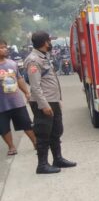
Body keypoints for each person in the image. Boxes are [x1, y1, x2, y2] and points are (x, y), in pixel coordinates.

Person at [26, 31, 77, 174]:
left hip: (52, 100)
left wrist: (57, 100)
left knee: (56, 131)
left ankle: (57, 158)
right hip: (43, 102)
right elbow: (35, 86)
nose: (51, 43)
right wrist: (44, 105)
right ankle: (42, 165)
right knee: (43, 134)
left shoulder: (44, 57)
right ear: (44, 42)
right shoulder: (34, 60)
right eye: (49, 40)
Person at [0, 39, 36, 156]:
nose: (5, 49)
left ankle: (36, 143)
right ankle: (11, 147)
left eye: (5, 47)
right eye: (1, 47)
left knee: (26, 123)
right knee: (3, 128)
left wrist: (26, 92)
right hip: (1, 105)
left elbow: (19, 78)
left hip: (16, 101)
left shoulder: (12, 63)